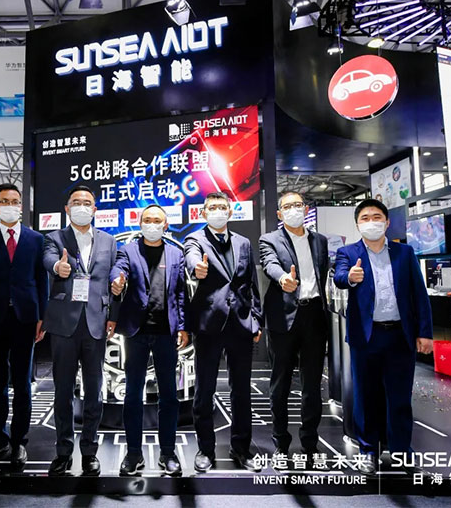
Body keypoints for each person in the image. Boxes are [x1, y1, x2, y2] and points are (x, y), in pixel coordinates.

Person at [333, 199, 433, 476]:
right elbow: (339, 276)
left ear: (387, 222)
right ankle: (368, 451)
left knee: (399, 397)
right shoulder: (348, 252)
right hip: (366, 337)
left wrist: (425, 332)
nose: (371, 222)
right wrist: (350, 277)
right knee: (366, 396)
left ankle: (401, 451)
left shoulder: (405, 252)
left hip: (400, 336)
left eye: (377, 217)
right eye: (365, 218)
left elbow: (419, 294)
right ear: (357, 224)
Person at [0, 183, 48, 468]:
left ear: (21, 206)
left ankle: (19, 442)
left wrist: (43, 316)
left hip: (26, 318)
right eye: (4, 201)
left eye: (15, 201)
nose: (10, 205)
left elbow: (41, 279)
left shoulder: (36, 239)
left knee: (22, 383)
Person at [42, 185, 119, 476]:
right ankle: (63, 451)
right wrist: (57, 268)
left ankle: (89, 451)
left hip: (96, 324)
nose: (82, 206)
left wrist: (113, 314)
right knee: (63, 391)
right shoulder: (54, 238)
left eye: (87, 203)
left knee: (94, 392)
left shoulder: (109, 241)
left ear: (95, 209)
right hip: (64, 324)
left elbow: (114, 276)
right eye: (76, 202)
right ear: (67, 208)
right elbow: (48, 260)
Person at [184, 191, 263, 473]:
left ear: (230, 212)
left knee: (241, 391)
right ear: (204, 213)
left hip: (241, 324)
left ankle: (241, 448)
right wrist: (197, 268)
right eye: (212, 207)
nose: (217, 211)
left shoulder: (243, 242)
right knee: (204, 390)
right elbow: (192, 258)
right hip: (209, 325)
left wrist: (256, 319)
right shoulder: (195, 239)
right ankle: (205, 449)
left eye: (222, 207)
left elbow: (251, 284)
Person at [109, 205, 188, 477]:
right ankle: (133, 453)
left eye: (157, 220)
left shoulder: (176, 254)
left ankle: (168, 452)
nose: (152, 224)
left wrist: (183, 326)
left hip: (167, 333)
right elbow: (118, 270)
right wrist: (116, 281)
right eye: (147, 220)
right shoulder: (128, 250)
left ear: (165, 225)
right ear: (140, 223)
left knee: (169, 396)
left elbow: (180, 294)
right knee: (133, 394)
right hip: (136, 333)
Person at [259, 191, 329, 465]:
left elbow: (323, 273)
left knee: (312, 385)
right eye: (287, 206)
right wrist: (282, 279)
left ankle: (310, 443)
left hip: (314, 316)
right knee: (280, 384)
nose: (293, 209)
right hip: (283, 317)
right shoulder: (269, 239)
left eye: (298, 205)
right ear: (279, 214)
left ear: (306, 209)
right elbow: (270, 264)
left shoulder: (320, 241)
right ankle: (281, 442)